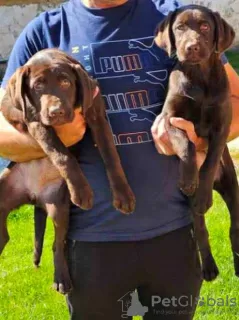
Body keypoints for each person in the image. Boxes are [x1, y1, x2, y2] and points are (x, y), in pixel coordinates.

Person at [0, 0, 239, 319]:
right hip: (92, 242)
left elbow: (234, 105)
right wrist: (59, 139)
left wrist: (195, 139)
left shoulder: (174, 17)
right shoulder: (46, 30)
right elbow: (3, 134)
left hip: (175, 234)